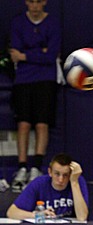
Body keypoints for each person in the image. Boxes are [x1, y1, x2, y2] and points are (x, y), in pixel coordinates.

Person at [10, 0, 62, 191]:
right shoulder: (18, 23)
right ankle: (22, 167)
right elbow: (15, 53)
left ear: (44, 3)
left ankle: (36, 167)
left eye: (38, 1)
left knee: (42, 124)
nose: (35, 6)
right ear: (26, 3)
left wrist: (26, 55)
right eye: (31, 1)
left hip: (46, 79)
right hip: (23, 79)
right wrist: (40, 52)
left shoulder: (53, 23)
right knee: (23, 124)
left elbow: (51, 56)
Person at [6, 152, 89, 221]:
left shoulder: (77, 181)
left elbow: (82, 217)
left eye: (65, 175)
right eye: (57, 174)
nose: (61, 179)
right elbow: (12, 212)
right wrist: (38, 215)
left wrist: (74, 182)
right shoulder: (39, 183)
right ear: (50, 172)